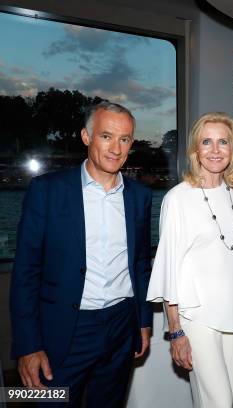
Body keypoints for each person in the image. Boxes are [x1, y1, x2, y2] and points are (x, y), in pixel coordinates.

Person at [10, 101, 153, 407]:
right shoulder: (47, 191)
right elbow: (25, 272)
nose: (116, 148)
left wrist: (143, 322)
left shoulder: (139, 196)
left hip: (121, 324)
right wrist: (28, 345)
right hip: (64, 330)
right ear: (86, 137)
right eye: (106, 136)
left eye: (125, 139)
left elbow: (140, 263)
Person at [146, 112, 233, 407]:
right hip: (195, 315)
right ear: (195, 150)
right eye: (206, 142)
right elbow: (169, 268)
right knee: (219, 402)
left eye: (223, 142)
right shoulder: (178, 198)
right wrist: (176, 331)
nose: (214, 150)